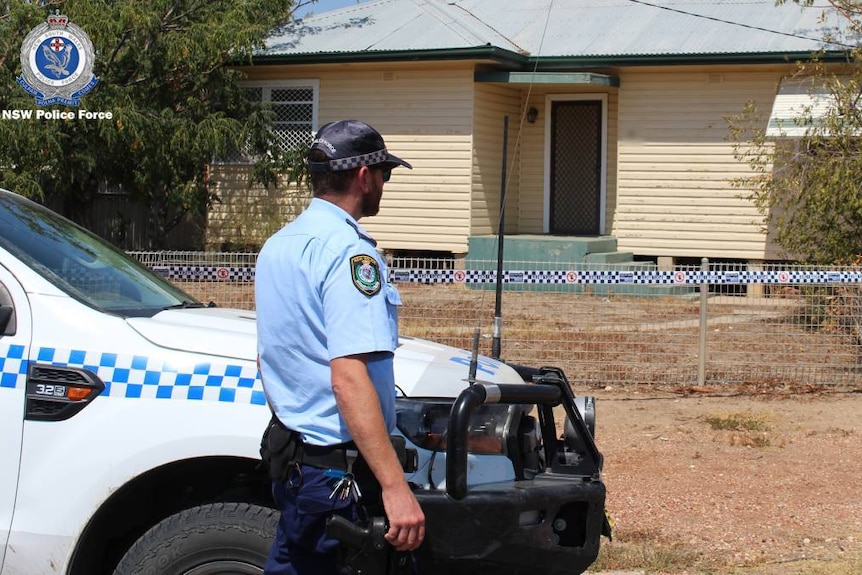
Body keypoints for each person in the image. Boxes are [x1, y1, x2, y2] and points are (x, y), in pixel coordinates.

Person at [255, 119, 425, 575]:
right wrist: (393, 487)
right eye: (385, 174)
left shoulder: (278, 246)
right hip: (340, 473)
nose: (384, 186)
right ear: (364, 176)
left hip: (294, 460)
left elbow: (269, 358)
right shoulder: (351, 255)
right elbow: (349, 376)